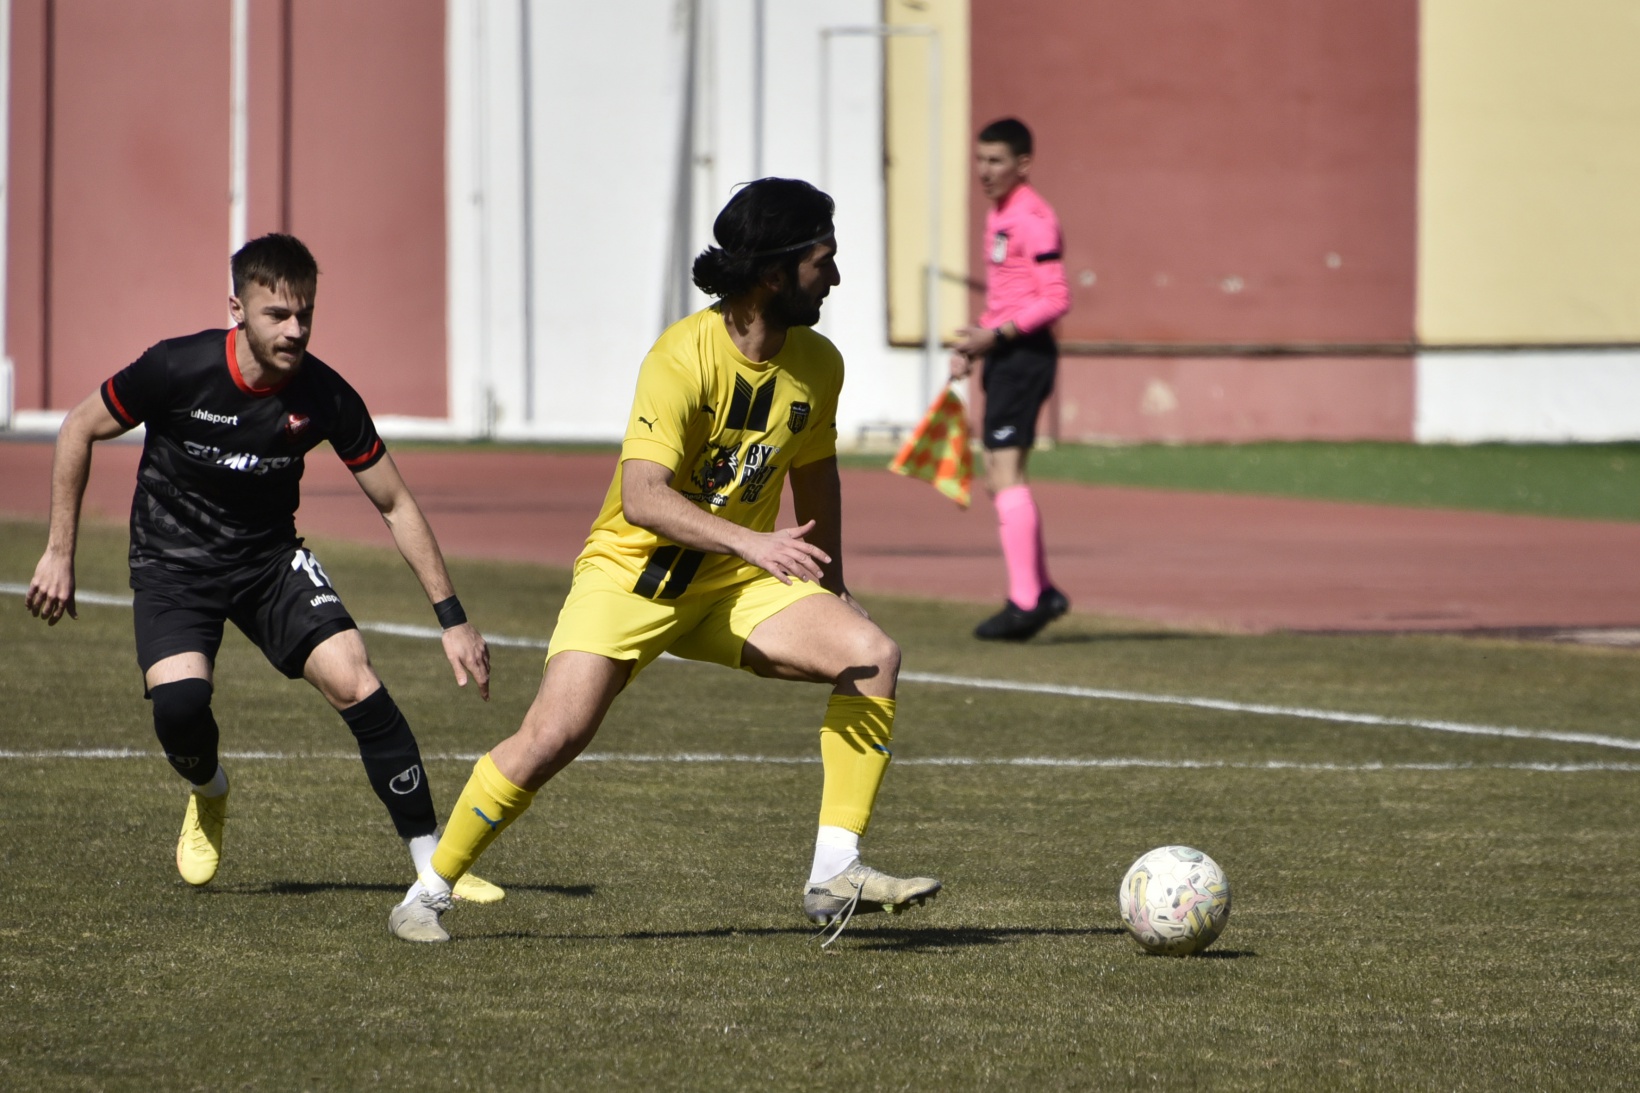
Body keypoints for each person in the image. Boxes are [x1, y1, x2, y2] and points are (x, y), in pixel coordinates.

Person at [388, 178, 940, 943]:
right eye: (825, 261)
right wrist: (752, 539)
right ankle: (427, 893)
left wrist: (836, 585)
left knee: (873, 654)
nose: (837, 277)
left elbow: (817, 476)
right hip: (629, 578)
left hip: (730, 584)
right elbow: (644, 498)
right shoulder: (680, 357)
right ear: (775, 274)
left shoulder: (820, 364)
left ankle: (833, 870)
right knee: (553, 737)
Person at [25, 233, 502, 904]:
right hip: (173, 563)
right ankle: (209, 788)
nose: (295, 329)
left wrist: (452, 618)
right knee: (181, 706)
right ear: (236, 308)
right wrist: (58, 549)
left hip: (270, 562)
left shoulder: (326, 395)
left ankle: (433, 866)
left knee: (357, 678)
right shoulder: (176, 369)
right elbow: (78, 426)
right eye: (278, 314)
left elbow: (394, 501)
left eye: (305, 313)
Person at [951, 117, 1072, 641]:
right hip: (1003, 351)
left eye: (996, 161)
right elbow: (1007, 296)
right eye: (980, 159)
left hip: (1024, 356)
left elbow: (1055, 298)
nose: (985, 171)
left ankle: (1026, 601)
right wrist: (974, 343)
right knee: (1001, 477)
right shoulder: (998, 214)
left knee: (1006, 477)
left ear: (1023, 164)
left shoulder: (1034, 218)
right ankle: (1040, 591)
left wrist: (994, 338)